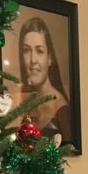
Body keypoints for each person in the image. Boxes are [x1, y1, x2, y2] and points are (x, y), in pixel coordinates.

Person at [18, 15, 72, 144]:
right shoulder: (27, 104)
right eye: (26, 50)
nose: (33, 60)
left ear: (49, 58)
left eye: (39, 51)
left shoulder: (62, 110)